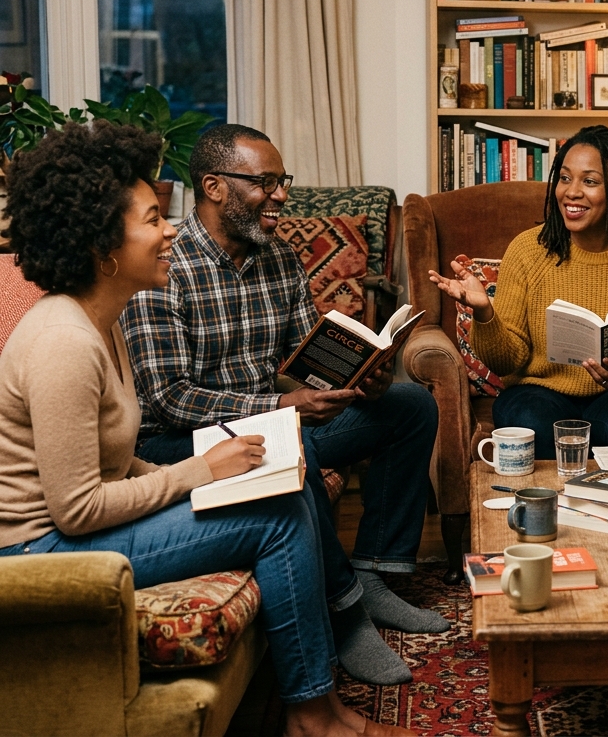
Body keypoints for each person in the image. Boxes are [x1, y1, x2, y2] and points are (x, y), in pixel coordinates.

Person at [0, 122, 411, 736]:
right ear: (101, 243)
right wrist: (198, 472)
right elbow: (76, 509)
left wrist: (209, 472)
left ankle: (315, 705)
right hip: (41, 554)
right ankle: (314, 714)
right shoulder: (64, 341)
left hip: (75, 530)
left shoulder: (99, 319)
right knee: (277, 514)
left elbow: (113, 462)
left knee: (280, 479)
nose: (169, 229)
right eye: (150, 219)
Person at [121, 124, 444, 688]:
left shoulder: (280, 256)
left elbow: (306, 355)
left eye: (282, 181)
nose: (281, 196)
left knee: (409, 405)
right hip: (180, 444)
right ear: (215, 187)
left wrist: (360, 376)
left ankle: (373, 574)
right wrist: (282, 405)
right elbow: (169, 399)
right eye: (264, 182)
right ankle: (344, 613)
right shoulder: (163, 269)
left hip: (275, 419)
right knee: (289, 445)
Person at [429, 125, 608, 459]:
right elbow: (507, 362)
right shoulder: (527, 250)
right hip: (539, 392)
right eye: (565, 178)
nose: (571, 192)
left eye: (589, 181)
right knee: (527, 418)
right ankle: (555, 507)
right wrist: (485, 313)